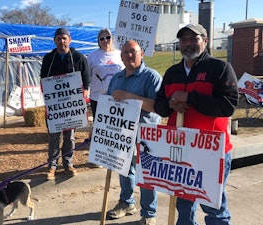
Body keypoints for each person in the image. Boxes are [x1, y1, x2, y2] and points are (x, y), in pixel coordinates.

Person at [154, 23, 238, 225]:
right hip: (180, 149)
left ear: (205, 41)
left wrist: (190, 97)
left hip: (211, 150)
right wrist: (172, 102)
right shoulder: (173, 72)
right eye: (183, 40)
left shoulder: (220, 68)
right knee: (183, 203)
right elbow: (160, 106)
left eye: (194, 39)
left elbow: (228, 106)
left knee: (213, 205)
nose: (188, 44)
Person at [106, 40, 161, 225]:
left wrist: (129, 96)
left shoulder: (152, 77)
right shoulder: (116, 78)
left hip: (146, 134)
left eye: (133, 52)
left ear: (142, 54)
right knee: (123, 169)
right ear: (120, 56)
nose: (129, 55)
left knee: (146, 174)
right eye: (125, 52)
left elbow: (156, 107)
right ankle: (126, 203)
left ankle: (149, 213)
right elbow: (109, 103)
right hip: (121, 133)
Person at [40, 27, 90, 180]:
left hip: (72, 104)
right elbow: (43, 79)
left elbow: (86, 78)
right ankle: (52, 166)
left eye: (64, 38)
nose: (61, 41)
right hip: (55, 105)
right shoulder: (49, 58)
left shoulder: (79, 57)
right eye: (58, 38)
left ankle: (68, 163)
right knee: (54, 135)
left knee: (69, 136)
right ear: (54, 41)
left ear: (70, 39)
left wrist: (85, 92)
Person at [87, 28, 124, 121]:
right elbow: (87, 75)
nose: (105, 40)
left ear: (112, 39)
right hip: (98, 97)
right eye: (102, 38)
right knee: (100, 123)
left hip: (117, 97)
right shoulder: (92, 56)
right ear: (98, 42)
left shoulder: (120, 54)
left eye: (108, 37)